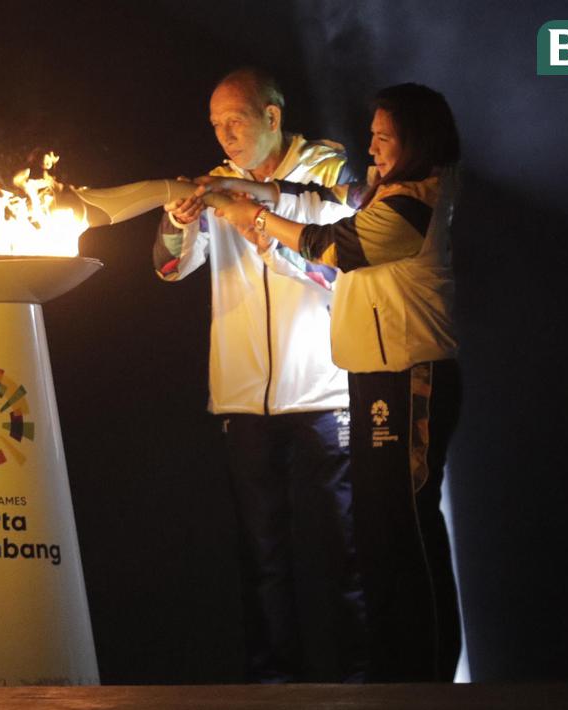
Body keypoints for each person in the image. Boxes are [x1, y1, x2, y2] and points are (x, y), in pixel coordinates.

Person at [202, 82, 462, 682]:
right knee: (376, 531)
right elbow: (318, 195)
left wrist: (257, 217)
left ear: (416, 141)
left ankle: (429, 675)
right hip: (371, 378)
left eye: (384, 137)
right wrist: (247, 191)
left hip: (412, 378)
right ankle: (397, 671)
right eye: (371, 134)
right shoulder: (380, 191)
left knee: (408, 528)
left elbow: (331, 244)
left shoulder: (414, 201)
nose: (370, 146)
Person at [154, 67, 366, 683]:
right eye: (216, 125)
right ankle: (273, 687)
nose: (224, 135)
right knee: (263, 557)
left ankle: (364, 681)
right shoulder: (214, 184)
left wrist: (262, 229)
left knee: (346, 551)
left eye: (235, 121)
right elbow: (170, 270)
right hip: (245, 401)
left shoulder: (328, 172)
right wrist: (180, 219)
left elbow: (344, 269)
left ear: (273, 117)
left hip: (327, 393)